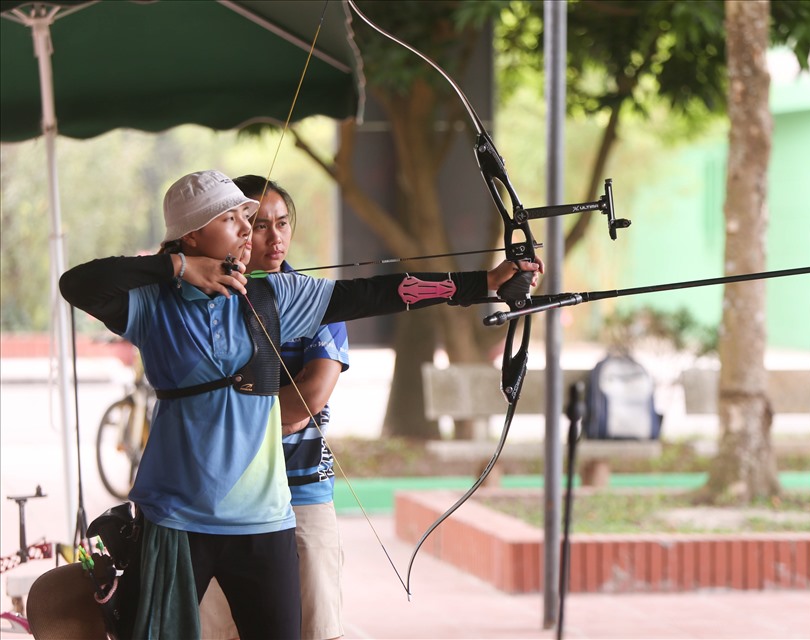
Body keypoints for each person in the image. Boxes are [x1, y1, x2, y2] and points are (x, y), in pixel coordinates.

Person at [59, 169, 542, 640]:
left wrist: (486, 284)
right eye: (234, 219)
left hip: (264, 520)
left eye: (251, 218)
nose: (249, 229)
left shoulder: (272, 295)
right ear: (191, 234)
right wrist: (177, 268)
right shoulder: (151, 306)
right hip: (176, 520)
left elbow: (374, 293)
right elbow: (76, 284)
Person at [199, 175, 349, 640]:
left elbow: (309, 398)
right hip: (221, 505)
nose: (273, 236)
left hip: (301, 495)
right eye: (257, 224)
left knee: (315, 630)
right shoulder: (199, 303)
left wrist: (228, 413)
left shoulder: (315, 301)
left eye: (282, 223)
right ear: (232, 229)